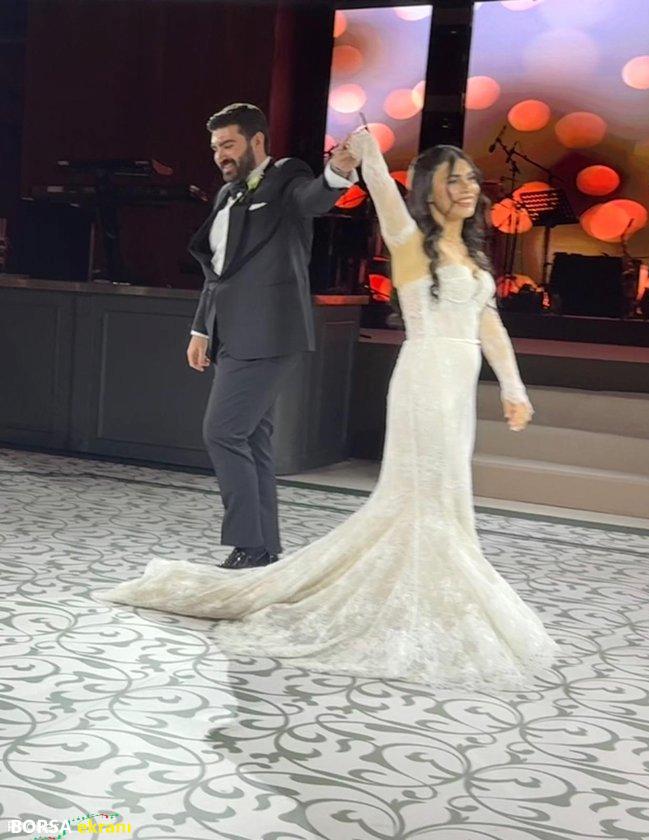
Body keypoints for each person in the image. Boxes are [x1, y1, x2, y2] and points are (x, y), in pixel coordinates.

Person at [101, 128, 560, 690]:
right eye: (452, 180)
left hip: (458, 386)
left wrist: (513, 386)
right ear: (428, 191)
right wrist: (366, 153)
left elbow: (488, 323)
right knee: (423, 492)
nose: (467, 188)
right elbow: (385, 196)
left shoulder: (472, 254)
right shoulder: (410, 241)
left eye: (470, 178)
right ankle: (415, 595)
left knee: (447, 494)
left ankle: (437, 589)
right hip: (424, 381)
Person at [186, 103, 359, 570]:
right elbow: (216, 272)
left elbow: (313, 198)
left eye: (229, 144)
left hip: (270, 331)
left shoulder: (286, 177)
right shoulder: (226, 195)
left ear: (257, 140)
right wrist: (201, 328)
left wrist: (338, 172)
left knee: (222, 432)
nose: (220, 155)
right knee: (252, 438)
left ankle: (247, 542)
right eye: (215, 147)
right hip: (229, 334)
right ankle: (262, 548)